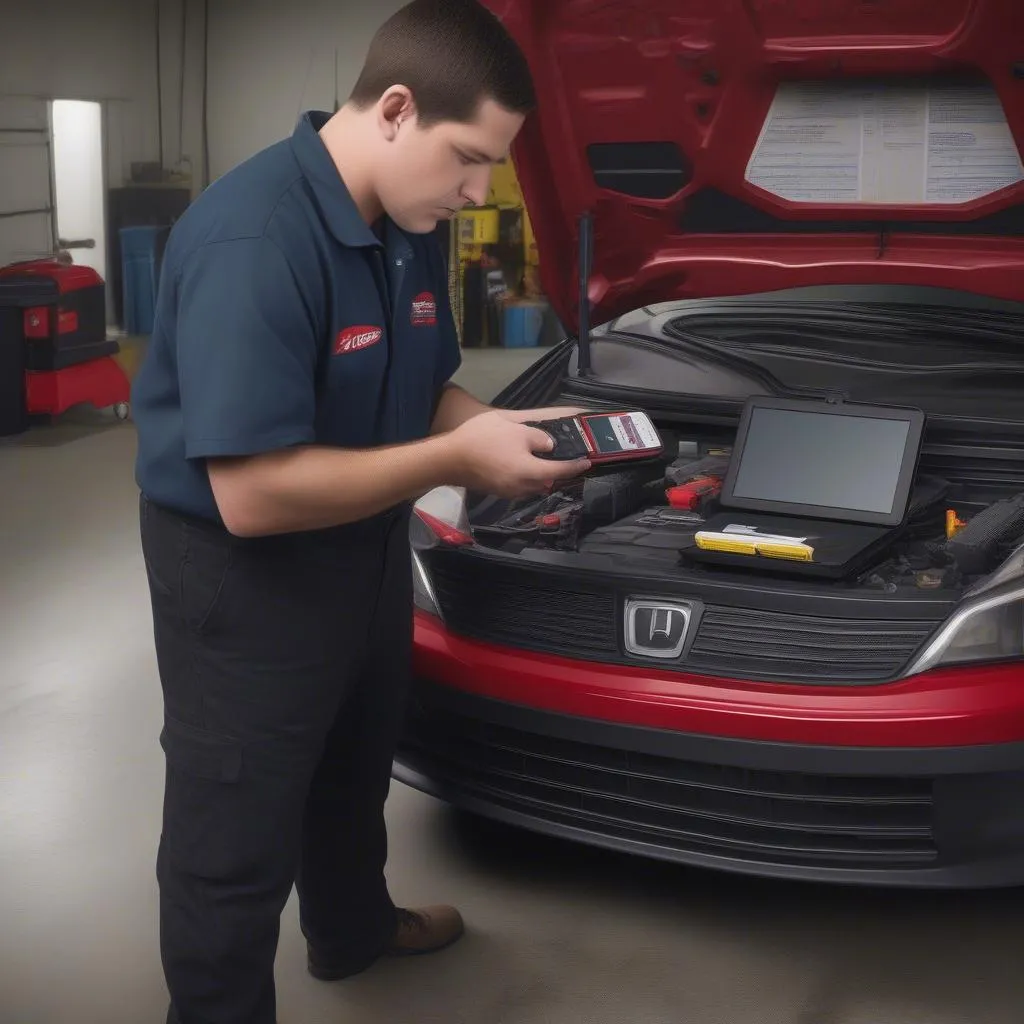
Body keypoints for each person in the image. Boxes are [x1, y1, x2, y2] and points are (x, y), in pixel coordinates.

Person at [131, 1, 590, 1021]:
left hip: (363, 539)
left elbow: (426, 388)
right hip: (240, 571)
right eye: (469, 157)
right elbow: (250, 497)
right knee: (234, 821)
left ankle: (349, 930)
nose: (480, 192)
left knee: (352, 756)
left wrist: (510, 431)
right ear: (393, 110)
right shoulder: (256, 238)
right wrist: (450, 458)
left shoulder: (406, 221)